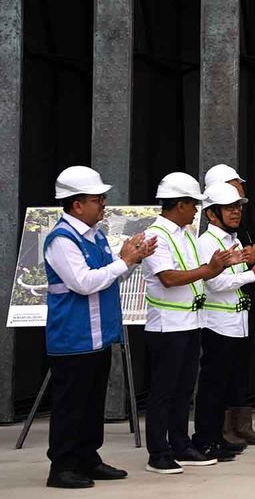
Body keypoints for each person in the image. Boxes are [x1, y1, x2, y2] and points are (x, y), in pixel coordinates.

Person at [43, 166, 156, 488]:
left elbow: (113, 276)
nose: (104, 203)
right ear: (77, 204)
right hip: (73, 337)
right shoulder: (61, 240)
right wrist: (124, 260)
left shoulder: (96, 235)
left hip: (99, 335)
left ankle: (88, 458)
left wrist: (133, 258)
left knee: (92, 402)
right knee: (71, 404)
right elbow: (82, 283)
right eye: (98, 199)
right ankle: (63, 466)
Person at [142, 172, 238, 474]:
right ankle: (158, 453)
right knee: (163, 392)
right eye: (193, 204)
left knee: (184, 390)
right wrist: (209, 270)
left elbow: (199, 271)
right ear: (180, 204)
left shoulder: (185, 234)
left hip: (189, 322)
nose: (197, 210)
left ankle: (181, 445)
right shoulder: (155, 236)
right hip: (167, 326)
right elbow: (168, 278)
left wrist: (219, 265)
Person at [192, 183, 255, 460]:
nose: (236, 212)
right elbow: (216, 283)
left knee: (225, 386)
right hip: (217, 324)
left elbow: (238, 278)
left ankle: (217, 437)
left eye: (238, 207)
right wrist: (252, 274)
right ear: (211, 214)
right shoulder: (207, 242)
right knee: (212, 387)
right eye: (229, 208)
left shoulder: (231, 240)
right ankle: (205, 439)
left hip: (234, 323)